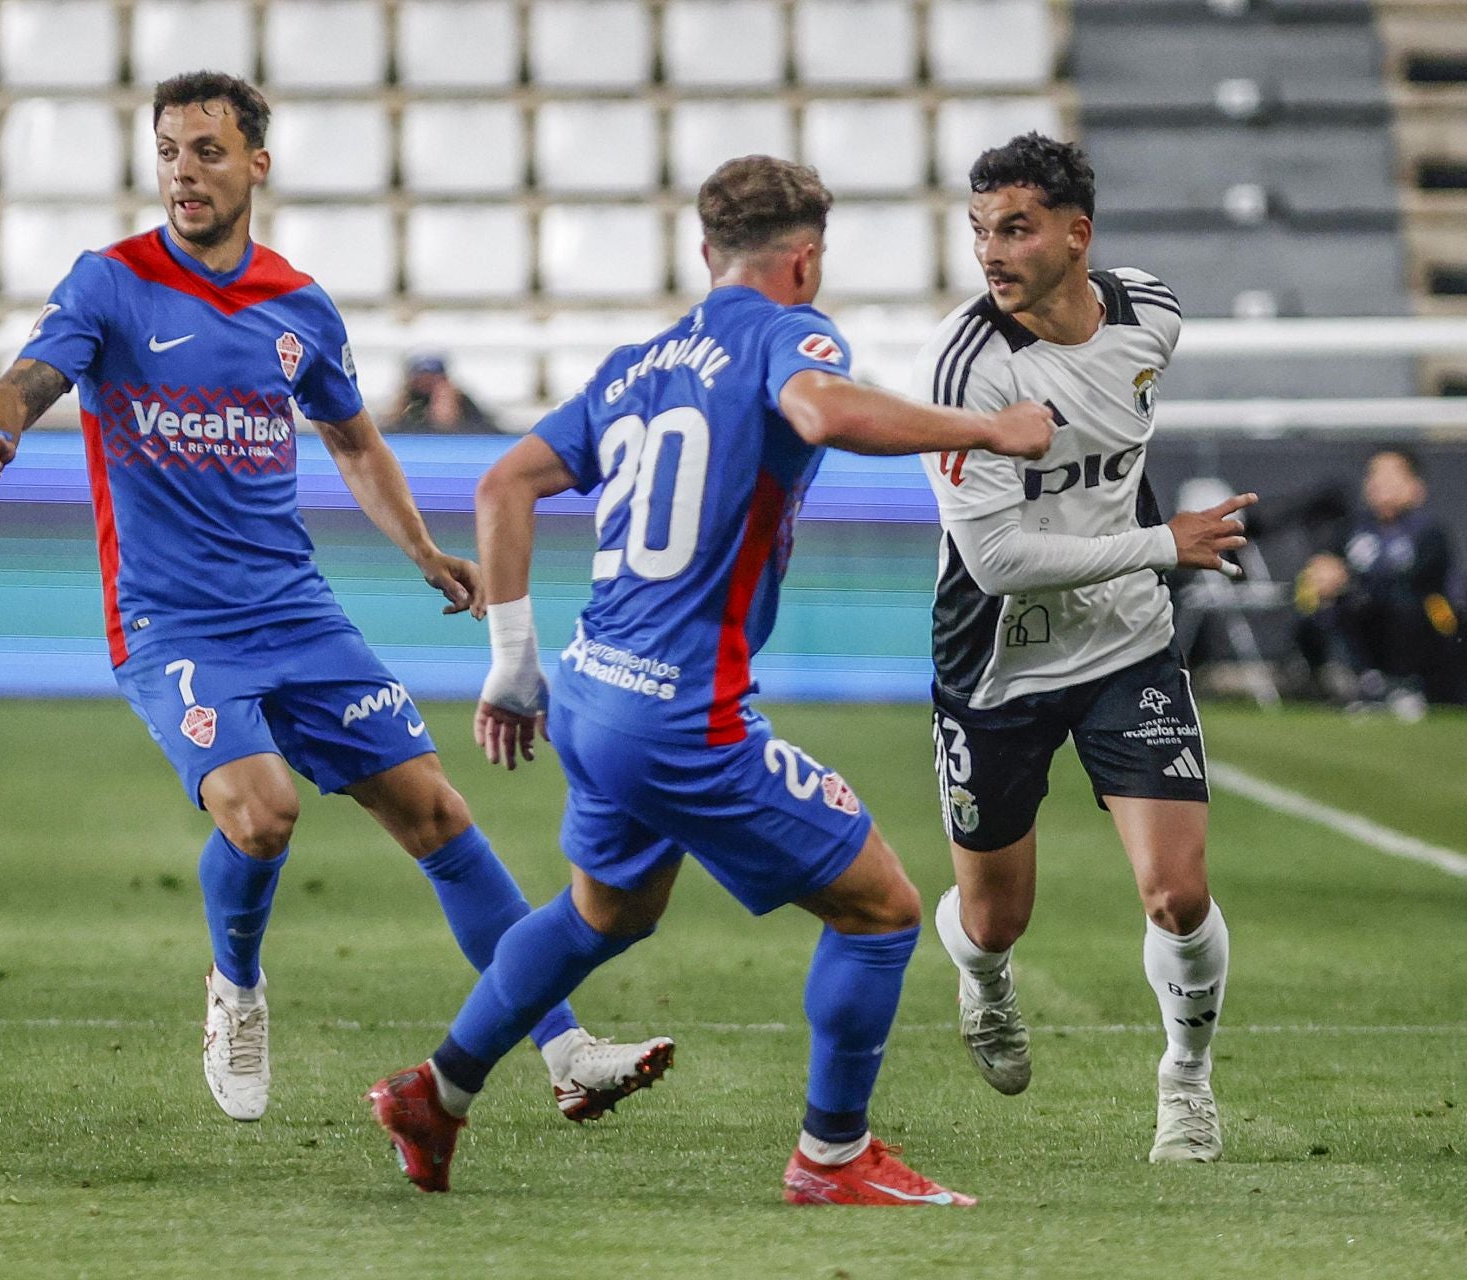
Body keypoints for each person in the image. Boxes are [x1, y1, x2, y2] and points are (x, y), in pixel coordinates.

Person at [0, 70, 668, 1125]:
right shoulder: (111, 283)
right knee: (264, 811)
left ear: (256, 163)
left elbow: (353, 439)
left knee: (437, 811)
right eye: (167, 151)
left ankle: (565, 1048)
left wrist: (425, 551)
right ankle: (236, 987)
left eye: (206, 150)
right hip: (174, 620)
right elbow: (29, 377)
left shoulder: (298, 304)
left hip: (293, 607)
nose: (183, 173)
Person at [368, 154, 1056, 1204]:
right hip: (679, 712)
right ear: (807, 257)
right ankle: (834, 1155)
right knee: (881, 908)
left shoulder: (638, 363)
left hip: (593, 686)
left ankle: (436, 1090)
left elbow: (505, 479)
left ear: (704, 252)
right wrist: (989, 428)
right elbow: (822, 411)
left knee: (608, 909)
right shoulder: (791, 333)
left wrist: (513, 660)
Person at [912, 133, 1256, 1163]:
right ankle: (983, 978)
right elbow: (1000, 558)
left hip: (1124, 647)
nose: (991, 251)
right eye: (979, 230)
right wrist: (1166, 544)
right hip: (996, 665)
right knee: (996, 914)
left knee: (1177, 891)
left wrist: (1145, 557)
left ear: (1077, 233)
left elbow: (1125, 421)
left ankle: (1186, 1085)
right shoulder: (965, 368)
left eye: (1013, 227)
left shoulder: (1153, 313)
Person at [1295, 448, 1467, 718]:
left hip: (1426, 621)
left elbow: (1414, 579)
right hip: (1361, 613)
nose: (1379, 483)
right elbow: (1328, 563)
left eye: (1391, 476)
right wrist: (1323, 574)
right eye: (1374, 475)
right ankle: (1359, 683)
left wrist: (1349, 578)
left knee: (1402, 605)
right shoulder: (1354, 528)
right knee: (1318, 611)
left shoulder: (1428, 531)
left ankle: (1406, 685)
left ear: (1415, 487)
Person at [384, 351, 499, 434]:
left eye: (432, 376)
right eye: (421, 377)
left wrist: (449, 417)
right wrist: (397, 411)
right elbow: (389, 431)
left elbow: (487, 431)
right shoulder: (407, 402)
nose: (426, 382)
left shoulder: (461, 402)